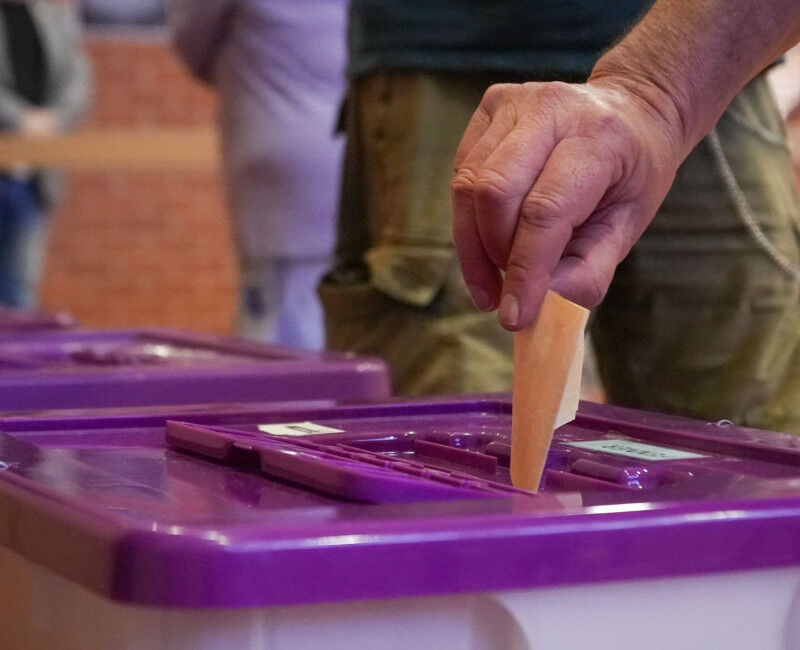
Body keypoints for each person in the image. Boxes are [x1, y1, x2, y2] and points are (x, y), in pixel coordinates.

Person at [321, 0, 800, 433]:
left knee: (745, 441)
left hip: (712, 54)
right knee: (454, 458)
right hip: (445, 53)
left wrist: (655, 91)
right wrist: (652, 93)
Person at [171, 0, 347, 350]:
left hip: (276, 149)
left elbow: (191, 42)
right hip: (341, 145)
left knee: (277, 323)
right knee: (325, 301)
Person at [0, 0, 90, 309]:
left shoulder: (52, 17)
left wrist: (53, 120)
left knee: (21, 288)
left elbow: (77, 78)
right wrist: (21, 120)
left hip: (34, 172)